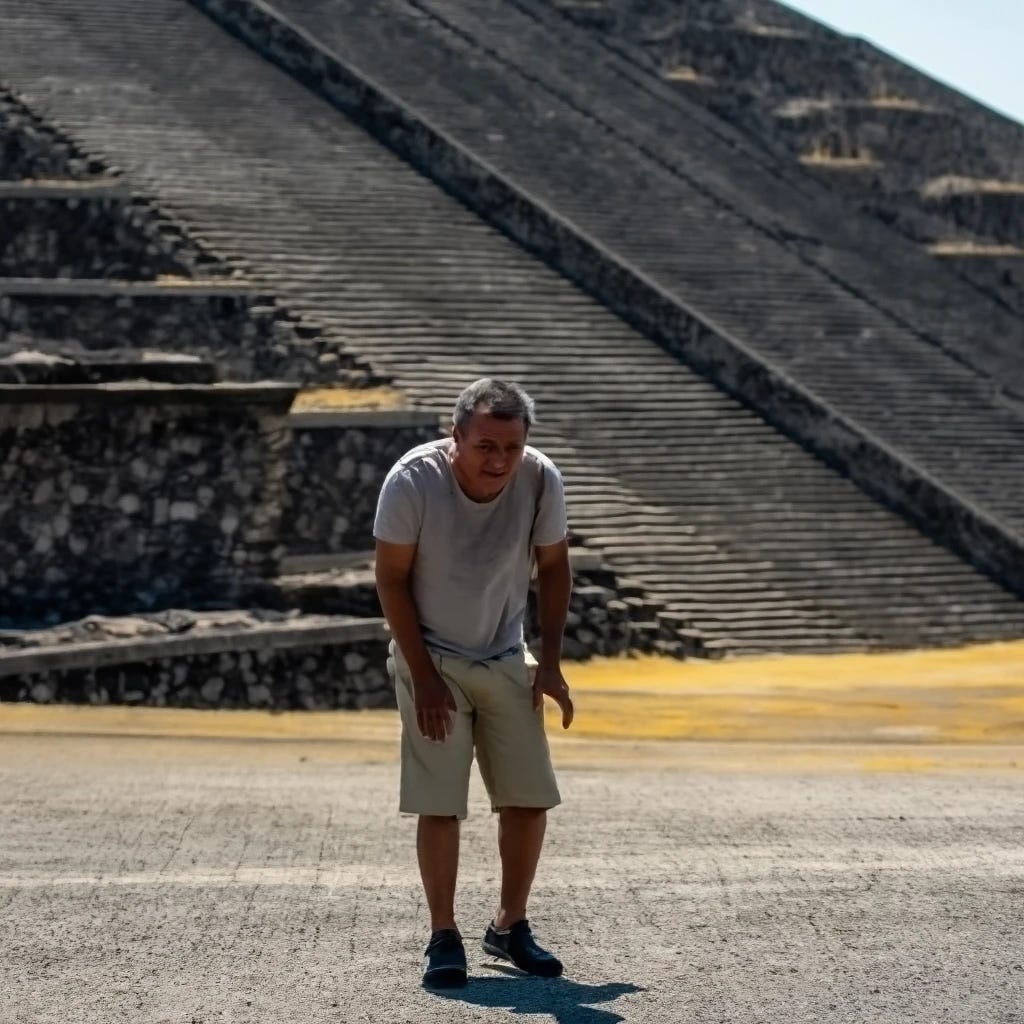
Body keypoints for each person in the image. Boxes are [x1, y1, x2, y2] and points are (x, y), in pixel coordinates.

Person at [373, 377, 575, 988]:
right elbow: (390, 580)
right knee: (440, 801)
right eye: (485, 446)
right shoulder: (412, 480)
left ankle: (510, 925)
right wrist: (425, 678)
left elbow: (555, 566)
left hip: (505, 652)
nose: (500, 461)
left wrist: (552, 663)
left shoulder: (540, 478)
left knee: (529, 796)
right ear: (455, 435)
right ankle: (444, 935)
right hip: (430, 654)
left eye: (512, 447)